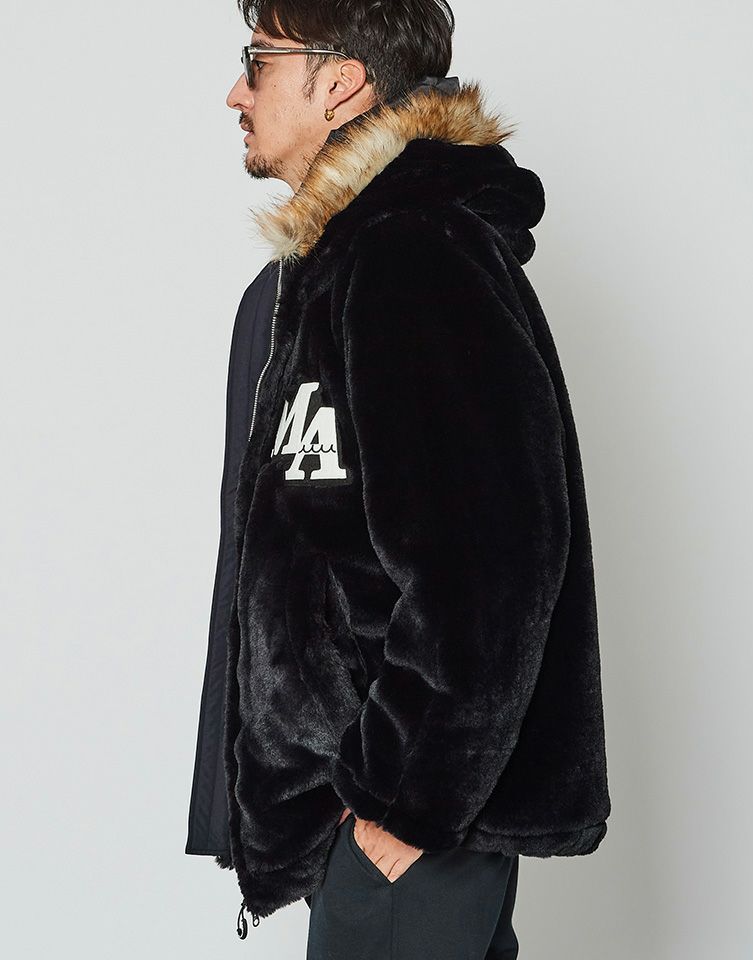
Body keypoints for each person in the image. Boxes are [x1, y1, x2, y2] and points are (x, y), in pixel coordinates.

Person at [184, 2, 612, 957]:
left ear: (341, 82)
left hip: (402, 826)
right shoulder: (321, 276)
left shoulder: (412, 257)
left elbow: (494, 563)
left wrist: (400, 800)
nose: (235, 92)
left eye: (259, 61)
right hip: (372, 821)